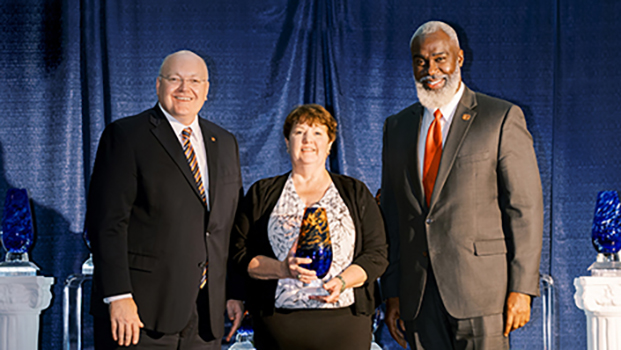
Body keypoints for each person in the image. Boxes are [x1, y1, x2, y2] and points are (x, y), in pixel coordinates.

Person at [380, 21, 543, 349]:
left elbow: (525, 209)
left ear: (459, 58)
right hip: (418, 297)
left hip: (483, 296)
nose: (431, 69)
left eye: (440, 58)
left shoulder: (500, 117)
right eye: (420, 61)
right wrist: (393, 291)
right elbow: (393, 217)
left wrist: (522, 289)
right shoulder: (396, 127)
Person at [86, 50, 244, 350]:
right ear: (158, 85)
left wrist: (234, 292)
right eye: (175, 79)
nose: (185, 89)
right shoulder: (126, 135)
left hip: (206, 316)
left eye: (195, 80)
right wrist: (118, 296)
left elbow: (228, 225)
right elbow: (107, 223)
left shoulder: (224, 141)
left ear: (207, 89)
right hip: (140, 314)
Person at [229, 104, 388, 349]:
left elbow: (377, 255)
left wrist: (343, 281)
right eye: (299, 132)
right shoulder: (262, 193)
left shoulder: (355, 192)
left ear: (330, 143)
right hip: (278, 325)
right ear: (286, 141)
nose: (307, 140)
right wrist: (282, 269)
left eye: (317, 133)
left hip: (344, 323)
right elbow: (238, 254)